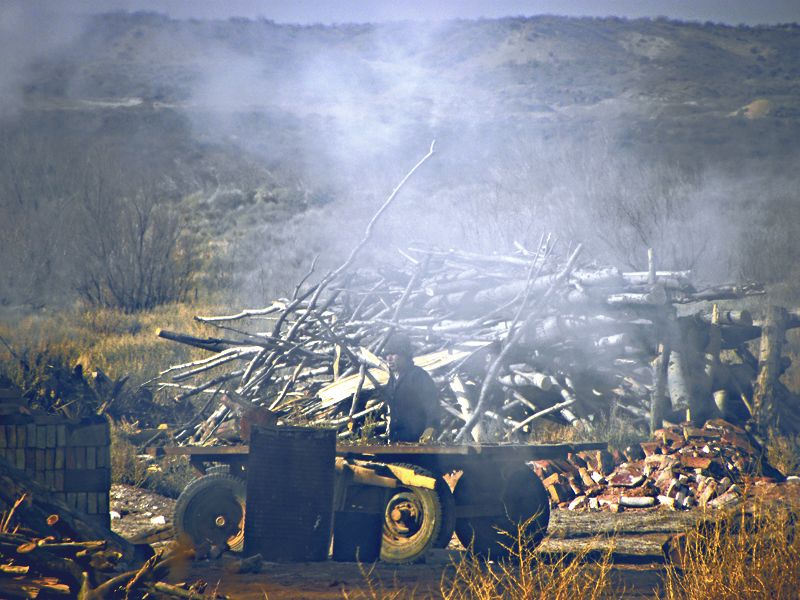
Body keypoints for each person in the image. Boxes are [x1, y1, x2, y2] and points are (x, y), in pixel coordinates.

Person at [382, 333, 441, 443]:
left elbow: (433, 409)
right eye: (387, 354)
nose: (389, 358)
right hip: (397, 441)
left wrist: (429, 432)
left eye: (393, 354)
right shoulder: (392, 381)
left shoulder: (419, 376)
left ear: (405, 354)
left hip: (417, 441)